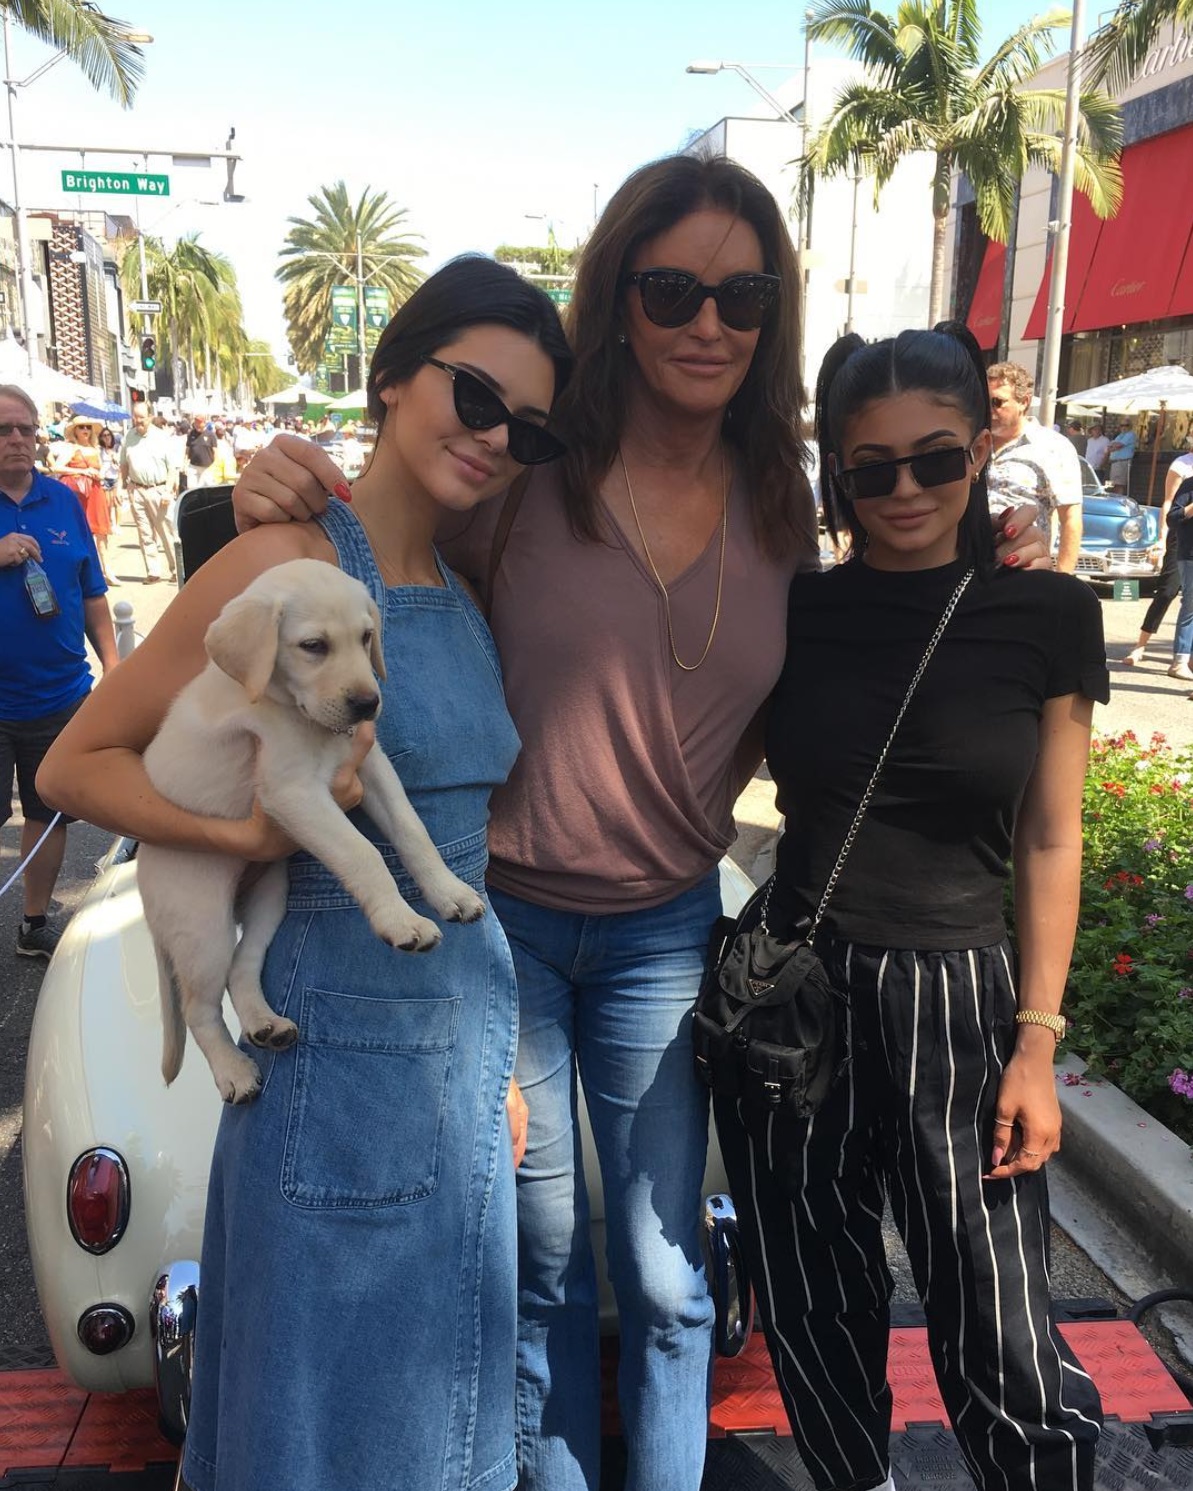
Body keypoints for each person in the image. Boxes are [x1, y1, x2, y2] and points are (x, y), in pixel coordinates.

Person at [231, 155, 1049, 1491]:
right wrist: (265, 494)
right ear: (618, 297)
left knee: (670, 1283)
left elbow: (882, 600)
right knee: (542, 1263)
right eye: (672, 290)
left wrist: (994, 569)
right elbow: (377, 555)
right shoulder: (528, 471)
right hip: (503, 928)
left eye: (742, 295)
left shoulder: (783, 499)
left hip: (664, 932)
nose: (707, 323)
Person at [37, 255, 571, 1491]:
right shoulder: (274, 564)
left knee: (429, 1434)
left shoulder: (459, 583)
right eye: (474, 396)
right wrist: (244, 841)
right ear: (390, 379)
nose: (496, 438)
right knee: (328, 1439)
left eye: (528, 428)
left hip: (452, 1074)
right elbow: (77, 763)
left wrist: (491, 1060)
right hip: (330, 1086)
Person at [716, 323, 1107, 1491]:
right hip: (796, 992)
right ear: (835, 471)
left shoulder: (1048, 615)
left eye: (934, 459)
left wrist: (1035, 1042)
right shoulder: (793, 609)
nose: (903, 492)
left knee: (998, 1320)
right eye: (870, 467)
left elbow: (1049, 837)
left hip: (960, 1001)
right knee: (811, 1297)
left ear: (980, 448)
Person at [0, 383, 117, 959]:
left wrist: (114, 666)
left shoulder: (65, 499)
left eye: (25, 429)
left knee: (49, 815)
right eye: (3, 430)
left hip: (60, 694)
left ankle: (34, 922)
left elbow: (92, 592)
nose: (17, 439)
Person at [986, 362, 1083, 572]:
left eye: (997, 402)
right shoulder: (974, 442)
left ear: (1024, 402)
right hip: (971, 567)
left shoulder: (1053, 447)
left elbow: (1071, 518)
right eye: (983, 402)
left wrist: (1062, 580)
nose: (988, 410)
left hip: (1024, 568)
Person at [1122, 440, 1193, 670]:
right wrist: (1161, 539)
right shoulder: (1182, 465)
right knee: (1167, 590)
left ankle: (1186, 655)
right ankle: (1140, 645)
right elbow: (1169, 503)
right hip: (1181, 535)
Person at [120, 404, 178, 584]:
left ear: (150, 417)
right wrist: (124, 487)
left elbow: (173, 468)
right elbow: (124, 464)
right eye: (135, 417)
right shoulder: (129, 437)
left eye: (141, 417)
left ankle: (177, 570)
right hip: (136, 490)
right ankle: (153, 572)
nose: (138, 421)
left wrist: (168, 491)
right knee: (145, 534)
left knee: (167, 533)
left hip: (159, 491)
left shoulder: (162, 437)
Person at [52, 415, 112, 581]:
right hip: (80, 494)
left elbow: (100, 470)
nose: (85, 430)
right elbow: (56, 467)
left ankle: (107, 571)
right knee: (81, 532)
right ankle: (87, 572)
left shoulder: (95, 449)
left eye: (88, 427)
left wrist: (99, 474)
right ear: (75, 431)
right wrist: (82, 471)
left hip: (96, 491)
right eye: (81, 427)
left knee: (101, 532)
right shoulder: (71, 448)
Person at [1166, 468, 1193, 685]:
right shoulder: (1189, 485)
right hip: (1190, 554)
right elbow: (1172, 518)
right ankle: (1180, 661)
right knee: (1191, 605)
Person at [184, 411, 217, 490]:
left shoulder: (211, 435)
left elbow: (215, 451)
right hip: (193, 466)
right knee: (191, 488)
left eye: (199, 423)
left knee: (206, 488)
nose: (197, 425)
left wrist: (215, 465)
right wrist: (185, 463)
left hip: (207, 467)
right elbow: (188, 449)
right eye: (196, 423)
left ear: (204, 423)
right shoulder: (191, 434)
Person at [1108, 421, 1136, 490]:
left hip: (1121, 462)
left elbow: (1119, 445)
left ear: (1130, 426)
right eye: (1122, 425)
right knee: (1113, 485)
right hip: (1115, 463)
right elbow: (1109, 447)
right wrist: (1114, 446)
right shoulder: (1119, 436)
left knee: (1119, 484)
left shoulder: (1130, 434)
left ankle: (1120, 497)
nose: (1124, 427)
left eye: (1126, 425)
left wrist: (1115, 446)